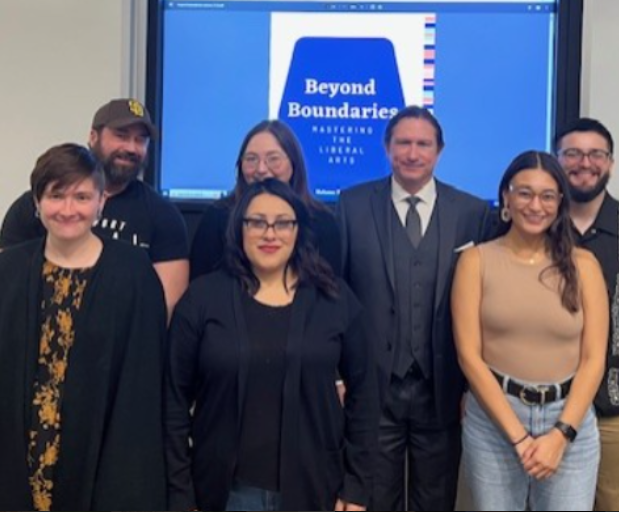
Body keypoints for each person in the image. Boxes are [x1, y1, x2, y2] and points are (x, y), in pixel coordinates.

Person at [166, 178, 378, 511]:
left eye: (283, 223)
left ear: (298, 230)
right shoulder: (203, 299)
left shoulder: (334, 298)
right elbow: (173, 402)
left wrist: (356, 487)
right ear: (239, 228)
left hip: (315, 489)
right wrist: (181, 495)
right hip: (223, 494)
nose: (270, 234)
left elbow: (366, 394)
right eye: (257, 222)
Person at [338, 105, 490, 511]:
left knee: (436, 499)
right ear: (387, 148)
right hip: (373, 385)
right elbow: (339, 294)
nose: (412, 152)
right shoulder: (351, 205)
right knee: (373, 496)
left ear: (439, 151)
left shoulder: (472, 213)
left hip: (443, 386)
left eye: (423, 144)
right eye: (403, 142)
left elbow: (483, 306)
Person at [0, 143, 167, 511]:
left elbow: (142, 386)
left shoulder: (134, 273)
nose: (68, 209)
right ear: (36, 202)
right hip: (18, 462)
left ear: (100, 202)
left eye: (81, 196)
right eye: (56, 195)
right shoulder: (8, 271)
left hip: (101, 464)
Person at [452, 150, 608, 511]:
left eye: (547, 196)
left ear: (559, 203)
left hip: (569, 420)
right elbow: (469, 357)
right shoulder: (476, 261)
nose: (535, 205)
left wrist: (561, 435)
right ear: (506, 196)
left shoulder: (583, 265)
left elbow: (593, 358)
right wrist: (520, 439)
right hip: (494, 423)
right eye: (524, 193)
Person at [0, 98, 189, 316]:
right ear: (93, 137)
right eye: (121, 136)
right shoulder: (33, 207)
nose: (131, 147)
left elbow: (165, 307)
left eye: (141, 140)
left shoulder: (163, 215)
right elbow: (7, 286)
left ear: (100, 203)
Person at [554, 118, 619, 511]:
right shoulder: (535, 226)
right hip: (543, 408)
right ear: (556, 160)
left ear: (609, 163)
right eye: (573, 154)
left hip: (613, 409)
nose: (584, 163)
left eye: (596, 154)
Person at [189, 119, 341, 281]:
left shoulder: (322, 221)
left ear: (294, 163)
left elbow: (331, 289)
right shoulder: (217, 217)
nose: (261, 169)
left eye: (273, 159)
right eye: (251, 159)